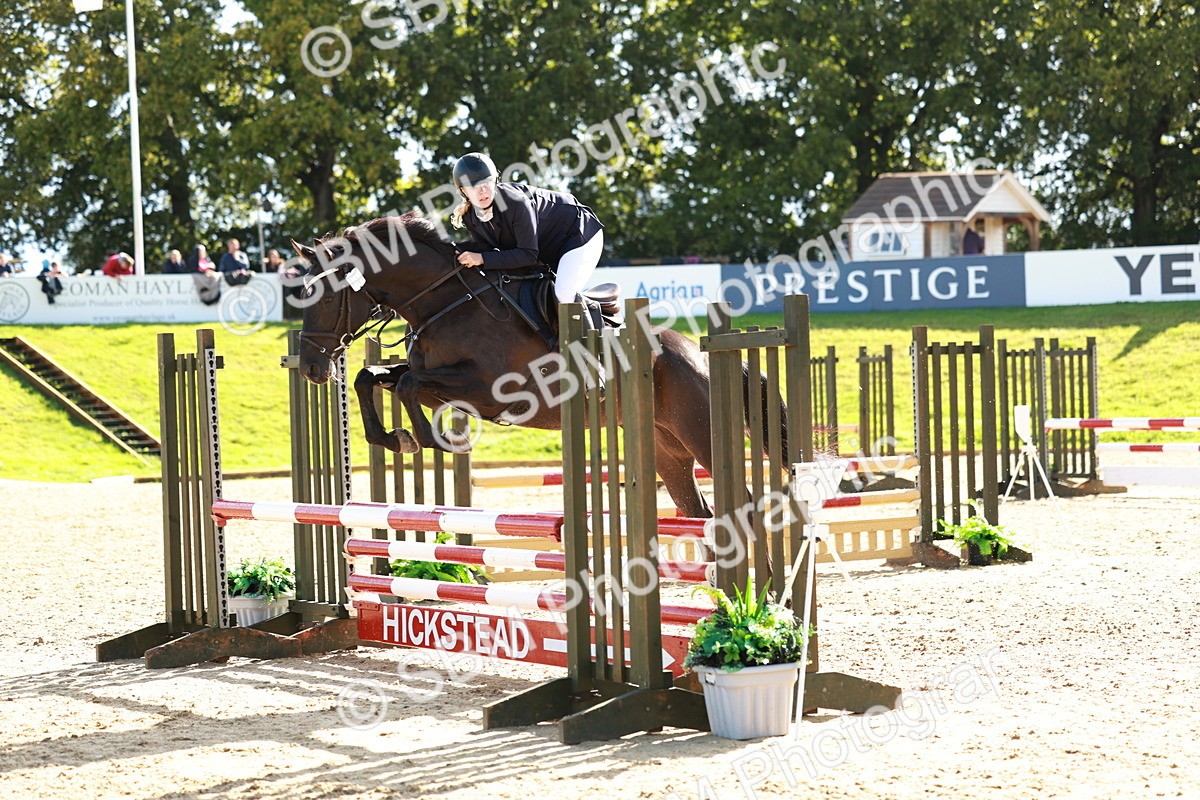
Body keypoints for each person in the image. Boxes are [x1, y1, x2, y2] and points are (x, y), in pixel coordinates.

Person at [450, 151, 605, 318]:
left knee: (564, 294)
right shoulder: (470, 217)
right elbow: (488, 252)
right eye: (474, 187)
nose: (483, 191)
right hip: (545, 251)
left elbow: (527, 254)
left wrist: (481, 258)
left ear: (495, 180)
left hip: (578, 235)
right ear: (463, 191)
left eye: (487, 182)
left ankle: (591, 339)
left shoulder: (516, 202)